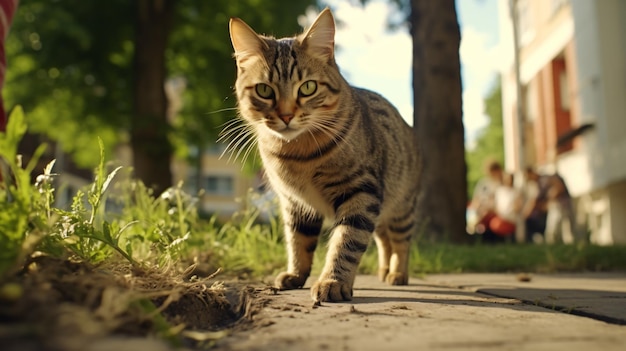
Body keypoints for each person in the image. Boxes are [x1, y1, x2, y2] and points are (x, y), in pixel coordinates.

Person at [470, 159, 503, 242]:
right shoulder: (483, 183)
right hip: (481, 208)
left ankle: (472, 228)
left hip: (495, 210)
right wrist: (477, 206)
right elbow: (476, 198)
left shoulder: (501, 183)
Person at [488, 172, 522, 240]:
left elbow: (517, 207)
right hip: (499, 216)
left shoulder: (516, 192)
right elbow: (495, 205)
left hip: (510, 218)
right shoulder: (499, 191)